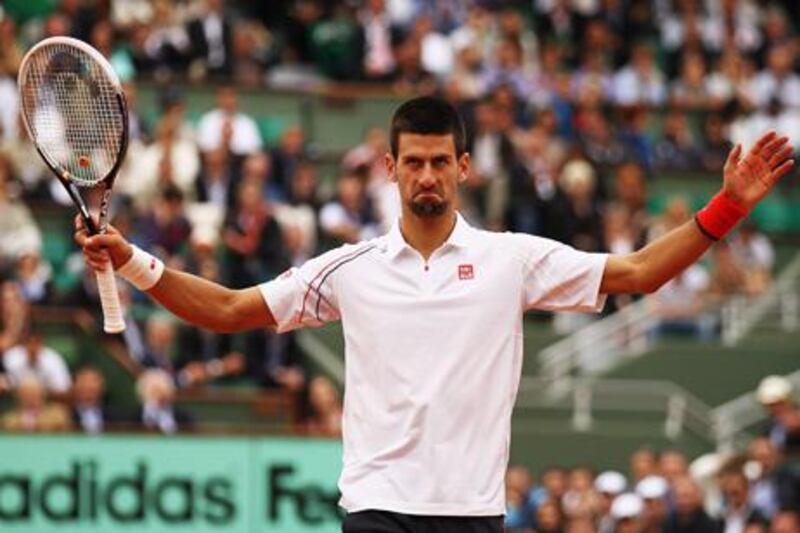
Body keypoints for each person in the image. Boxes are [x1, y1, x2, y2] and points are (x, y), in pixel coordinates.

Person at [76, 97, 793, 532]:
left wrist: (727, 206)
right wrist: (135, 259)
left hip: (473, 512)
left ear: (463, 167)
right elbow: (232, 309)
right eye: (412, 161)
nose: (426, 174)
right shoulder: (348, 269)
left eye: (439, 161)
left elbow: (637, 271)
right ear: (389, 168)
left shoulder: (514, 259)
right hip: (378, 507)